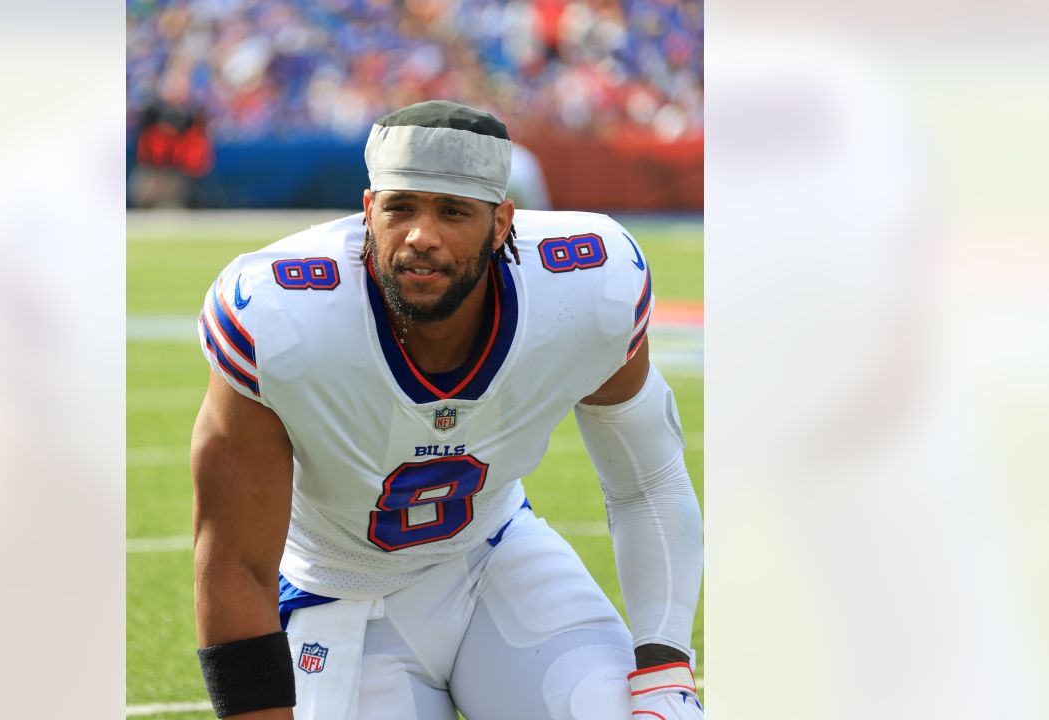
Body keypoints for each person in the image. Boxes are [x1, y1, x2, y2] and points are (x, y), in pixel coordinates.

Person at [191, 100, 703, 719]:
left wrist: (665, 667)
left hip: (494, 555)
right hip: (337, 594)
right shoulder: (281, 318)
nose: (421, 236)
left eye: (453, 211)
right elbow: (236, 566)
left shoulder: (588, 288)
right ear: (367, 210)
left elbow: (648, 481)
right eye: (400, 207)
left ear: (501, 223)